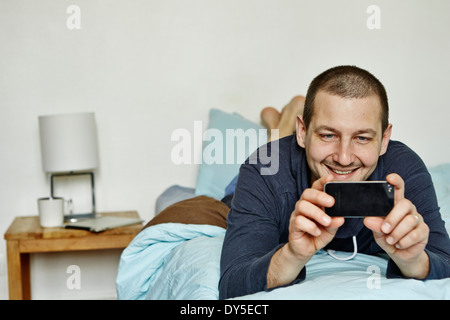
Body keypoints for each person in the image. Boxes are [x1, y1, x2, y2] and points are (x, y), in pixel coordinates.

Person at [219, 65, 450, 299]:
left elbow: (445, 261)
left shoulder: (404, 170)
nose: (344, 158)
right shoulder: (263, 168)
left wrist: (413, 260)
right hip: (272, 166)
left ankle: (281, 126)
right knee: (231, 193)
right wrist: (292, 255)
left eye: (362, 138)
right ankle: (278, 132)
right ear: (303, 132)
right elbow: (232, 285)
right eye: (328, 135)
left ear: (384, 140)